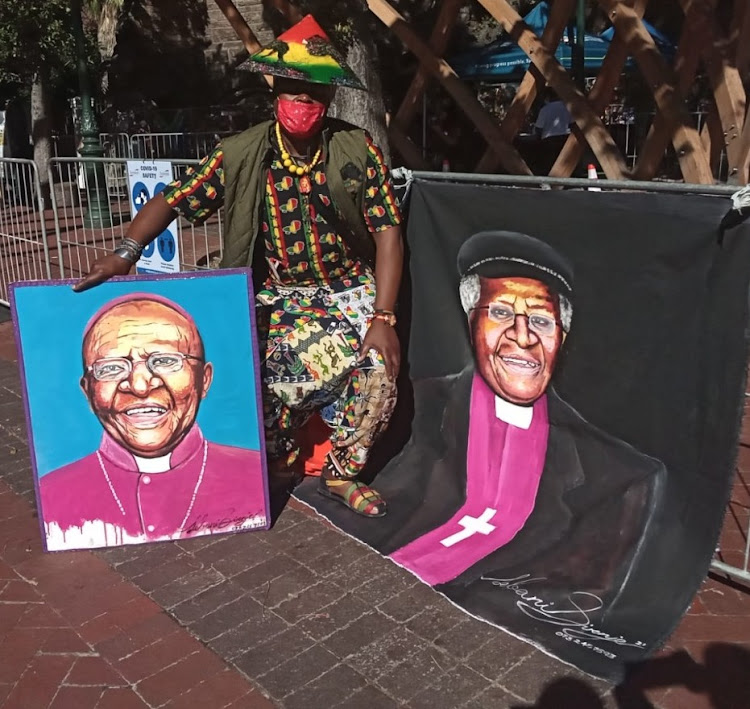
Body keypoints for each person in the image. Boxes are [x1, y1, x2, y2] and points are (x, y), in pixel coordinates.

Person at [73, 15, 403, 518]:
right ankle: (280, 461)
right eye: (291, 91)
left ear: (329, 100)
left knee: (379, 370)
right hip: (282, 295)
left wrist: (382, 317)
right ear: (275, 93)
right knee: (261, 375)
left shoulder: (356, 149)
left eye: (312, 94)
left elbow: (386, 230)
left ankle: (342, 471)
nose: (301, 103)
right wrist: (125, 252)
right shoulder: (242, 153)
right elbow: (174, 199)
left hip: (349, 289)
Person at [302, 231, 666, 601]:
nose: (522, 337)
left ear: (563, 336)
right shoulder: (415, 407)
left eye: (541, 320)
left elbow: (581, 596)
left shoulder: (624, 480)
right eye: (502, 312)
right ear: (471, 322)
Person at [39, 294, 268, 550]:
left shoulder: (252, 473)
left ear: (203, 380)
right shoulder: (52, 493)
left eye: (165, 361)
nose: (139, 386)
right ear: (89, 392)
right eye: (112, 367)